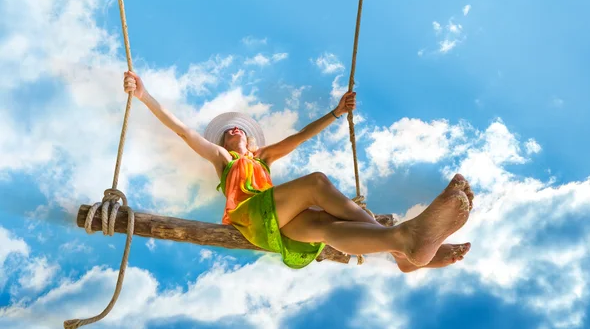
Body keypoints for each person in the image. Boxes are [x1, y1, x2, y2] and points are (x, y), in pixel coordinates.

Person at [123, 71, 474, 272]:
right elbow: (185, 132)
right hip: (251, 216)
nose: (235, 130)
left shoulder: (264, 159)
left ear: (250, 139)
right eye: (229, 130)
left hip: (276, 225)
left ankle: (402, 249)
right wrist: (145, 95)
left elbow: (300, 136)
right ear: (223, 142)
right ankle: (404, 240)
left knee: (324, 225)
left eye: (240, 129)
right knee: (316, 183)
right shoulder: (224, 160)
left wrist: (336, 113)